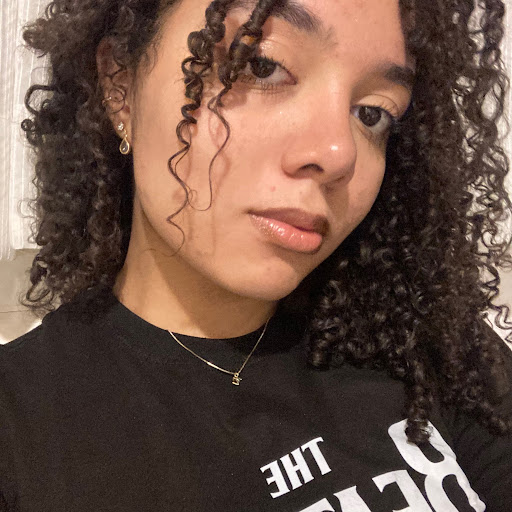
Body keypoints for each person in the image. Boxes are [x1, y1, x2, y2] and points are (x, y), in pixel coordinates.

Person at [1, 0, 512, 509]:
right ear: (120, 85)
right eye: (262, 65)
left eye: (372, 113)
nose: (339, 153)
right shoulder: (20, 427)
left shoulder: (431, 348)